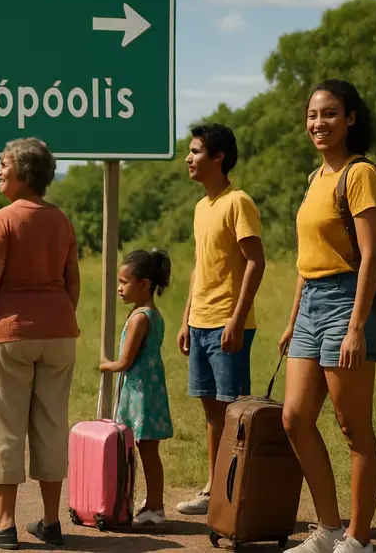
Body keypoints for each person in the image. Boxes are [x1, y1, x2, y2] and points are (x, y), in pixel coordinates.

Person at [0, 137, 80, 550]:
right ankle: (50, 521)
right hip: (59, 332)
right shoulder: (61, 220)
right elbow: (72, 282)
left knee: (5, 425)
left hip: (11, 334)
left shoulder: (2, 220)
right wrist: (55, 315)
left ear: (24, 173)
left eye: (3, 164)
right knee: (52, 423)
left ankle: (4, 523)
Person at [279, 80, 376, 553]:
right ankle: (328, 528)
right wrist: (292, 318)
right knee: (295, 418)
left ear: (350, 119)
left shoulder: (360, 174)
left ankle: (358, 540)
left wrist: (357, 326)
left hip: (347, 301)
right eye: (312, 115)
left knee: (353, 428)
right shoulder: (314, 178)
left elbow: (372, 256)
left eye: (328, 114)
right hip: (311, 304)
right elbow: (308, 257)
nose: (318, 123)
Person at [176, 122, 266, 516]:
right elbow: (199, 267)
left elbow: (255, 262)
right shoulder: (200, 206)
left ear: (219, 157)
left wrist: (236, 318)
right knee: (212, 413)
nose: (188, 159)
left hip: (229, 327)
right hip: (200, 324)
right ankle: (215, 489)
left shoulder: (238, 201)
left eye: (195, 152)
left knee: (236, 414)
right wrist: (185, 320)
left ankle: (239, 493)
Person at [99, 248, 174, 526]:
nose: (119, 288)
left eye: (124, 282)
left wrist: (105, 364)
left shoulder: (141, 318)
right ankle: (150, 502)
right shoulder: (146, 313)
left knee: (147, 451)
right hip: (147, 389)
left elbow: (125, 362)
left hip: (142, 392)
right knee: (144, 449)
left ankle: (156, 507)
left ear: (144, 285)